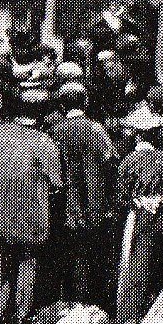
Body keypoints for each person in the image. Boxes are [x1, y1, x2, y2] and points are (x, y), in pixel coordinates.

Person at [0, 83, 64, 324]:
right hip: (31, 211)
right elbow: (56, 182)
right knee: (27, 259)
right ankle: (21, 314)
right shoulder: (44, 142)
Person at [47, 82, 118, 309]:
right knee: (95, 257)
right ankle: (96, 307)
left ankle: (67, 305)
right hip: (96, 205)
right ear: (85, 102)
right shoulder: (97, 131)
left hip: (64, 206)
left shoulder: (55, 132)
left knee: (65, 259)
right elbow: (111, 165)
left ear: (61, 105)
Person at [113, 100, 163, 324]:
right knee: (154, 262)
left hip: (136, 215)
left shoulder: (128, 162)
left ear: (137, 136)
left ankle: (129, 316)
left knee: (131, 263)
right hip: (159, 217)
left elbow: (121, 196)